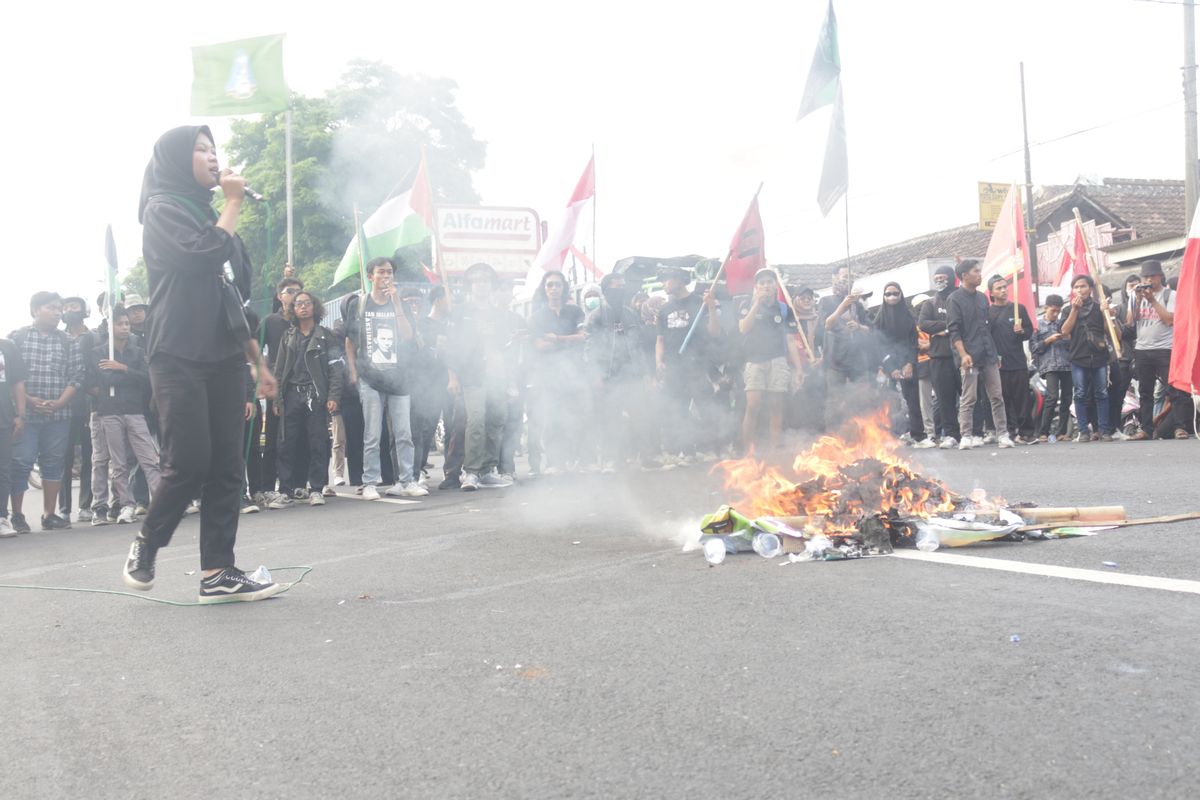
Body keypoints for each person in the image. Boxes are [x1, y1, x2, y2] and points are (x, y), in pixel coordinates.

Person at [123, 124, 282, 603]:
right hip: (178, 354)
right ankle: (147, 544)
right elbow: (200, 257)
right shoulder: (163, 210)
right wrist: (232, 205)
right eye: (201, 149)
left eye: (215, 149)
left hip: (225, 356)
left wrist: (257, 362)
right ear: (175, 160)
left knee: (229, 466)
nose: (214, 158)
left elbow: (237, 295)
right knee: (188, 462)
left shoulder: (212, 216)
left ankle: (218, 572)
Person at [344, 257, 427, 499]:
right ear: (371, 276)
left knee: (404, 433)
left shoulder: (398, 303)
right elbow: (350, 340)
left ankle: (407, 480)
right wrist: (353, 370)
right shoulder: (359, 304)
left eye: (390, 272)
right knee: (372, 433)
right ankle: (370, 482)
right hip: (370, 377)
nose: (386, 276)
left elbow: (408, 336)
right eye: (381, 272)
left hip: (399, 378)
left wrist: (397, 305)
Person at [8, 292, 85, 532]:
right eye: (51, 308)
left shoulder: (67, 341)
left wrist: (61, 402)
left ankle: (49, 515)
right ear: (34, 310)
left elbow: (77, 375)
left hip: (58, 415)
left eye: (59, 309)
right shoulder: (17, 339)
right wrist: (29, 401)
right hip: (26, 415)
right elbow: (9, 378)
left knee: (54, 463)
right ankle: (18, 516)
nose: (57, 312)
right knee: (22, 462)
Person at [447, 262, 520, 490]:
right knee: (476, 420)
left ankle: (488, 469)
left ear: (492, 285)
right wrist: (453, 377)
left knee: (496, 421)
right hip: (472, 376)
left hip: (497, 376)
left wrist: (511, 382)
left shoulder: (500, 315)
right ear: (470, 285)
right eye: (477, 280)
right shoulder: (460, 312)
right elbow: (451, 348)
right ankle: (471, 472)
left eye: (486, 280)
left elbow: (508, 350)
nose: (481, 284)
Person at [90, 305, 162, 523]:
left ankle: (160, 503)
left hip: (135, 411)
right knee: (119, 463)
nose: (124, 328)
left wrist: (122, 368)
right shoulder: (99, 352)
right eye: (119, 324)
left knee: (149, 458)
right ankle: (126, 505)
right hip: (109, 412)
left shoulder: (137, 351)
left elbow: (147, 379)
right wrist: (129, 376)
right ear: (109, 327)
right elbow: (105, 381)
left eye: (126, 324)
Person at [271, 291, 343, 506]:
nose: (303, 307)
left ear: (315, 307)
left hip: (316, 394)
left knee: (318, 442)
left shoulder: (326, 336)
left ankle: (317, 489)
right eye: (298, 304)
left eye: (307, 303)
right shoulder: (288, 336)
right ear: (292, 309)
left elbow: (336, 370)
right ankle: (285, 489)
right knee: (286, 442)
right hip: (292, 394)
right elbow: (280, 370)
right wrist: (277, 399)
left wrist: (333, 396)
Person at [655, 266, 722, 464]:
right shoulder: (664, 309)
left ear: (678, 280)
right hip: (674, 367)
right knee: (679, 410)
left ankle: (712, 449)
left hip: (697, 365)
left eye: (666, 279)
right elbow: (660, 340)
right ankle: (686, 450)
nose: (663, 284)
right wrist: (659, 361)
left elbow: (714, 332)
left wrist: (710, 307)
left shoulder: (699, 302)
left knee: (706, 407)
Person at [947, 260, 1012, 449]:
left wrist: (995, 353)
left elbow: (987, 328)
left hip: (989, 354)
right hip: (969, 357)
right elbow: (954, 330)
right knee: (969, 397)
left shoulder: (983, 298)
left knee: (997, 396)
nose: (979, 274)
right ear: (965, 276)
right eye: (976, 271)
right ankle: (965, 435)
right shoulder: (954, 299)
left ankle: (1003, 434)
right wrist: (963, 354)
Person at [737, 269, 803, 453]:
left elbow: (791, 340)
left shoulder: (784, 309)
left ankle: (776, 446)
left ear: (775, 286)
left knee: (776, 405)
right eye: (762, 283)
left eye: (769, 282)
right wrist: (756, 304)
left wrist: (798, 368)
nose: (766, 286)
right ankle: (748, 449)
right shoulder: (746, 304)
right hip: (754, 360)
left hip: (778, 360)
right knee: (753, 405)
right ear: (756, 287)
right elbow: (743, 328)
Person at [529, 270, 588, 472]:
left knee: (576, 418)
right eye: (550, 285)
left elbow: (584, 337)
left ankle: (576, 460)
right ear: (544, 289)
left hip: (575, 374)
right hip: (549, 376)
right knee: (552, 419)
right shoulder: (537, 317)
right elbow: (539, 345)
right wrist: (569, 340)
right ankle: (555, 462)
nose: (554, 289)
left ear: (564, 288)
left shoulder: (575, 312)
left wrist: (557, 339)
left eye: (558, 285)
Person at [585, 271, 645, 472]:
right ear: (605, 290)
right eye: (615, 287)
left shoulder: (631, 314)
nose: (619, 290)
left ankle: (636, 456)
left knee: (638, 415)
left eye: (622, 286)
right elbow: (590, 349)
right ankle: (611, 459)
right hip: (609, 375)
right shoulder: (596, 316)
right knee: (611, 418)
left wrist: (643, 371)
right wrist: (597, 376)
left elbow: (639, 346)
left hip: (631, 374)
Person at [1126, 260, 1190, 440]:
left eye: (1152, 276)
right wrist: (1137, 300)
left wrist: (1152, 300)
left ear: (1160, 276)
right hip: (1142, 349)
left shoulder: (1170, 294)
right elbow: (1131, 321)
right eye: (1145, 277)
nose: (1148, 280)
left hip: (1165, 348)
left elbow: (1170, 320)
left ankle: (1180, 427)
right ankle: (1146, 429)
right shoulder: (1135, 295)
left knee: (1175, 389)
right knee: (1145, 392)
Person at [871, 281, 929, 447]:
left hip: (907, 362)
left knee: (912, 400)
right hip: (889, 363)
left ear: (901, 294)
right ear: (883, 296)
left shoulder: (908, 317)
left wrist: (909, 363)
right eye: (888, 294)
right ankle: (892, 437)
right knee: (890, 402)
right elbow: (879, 345)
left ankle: (918, 435)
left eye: (895, 293)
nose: (892, 297)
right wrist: (891, 368)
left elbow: (913, 343)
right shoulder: (879, 319)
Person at [1060, 274, 1115, 442]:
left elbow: (1108, 331)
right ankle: (1083, 430)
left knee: (1102, 393)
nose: (1079, 290)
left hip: (1098, 356)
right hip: (1078, 356)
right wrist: (1075, 310)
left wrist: (1106, 313)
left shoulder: (1099, 307)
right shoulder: (1068, 309)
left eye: (1082, 286)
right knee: (1080, 393)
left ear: (1090, 289)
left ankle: (1104, 430)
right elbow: (1064, 331)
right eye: (1076, 287)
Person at [817, 266, 872, 428]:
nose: (847, 280)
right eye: (844, 276)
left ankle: (862, 436)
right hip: (835, 359)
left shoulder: (858, 306)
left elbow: (870, 329)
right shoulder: (826, 302)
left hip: (858, 359)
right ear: (835, 277)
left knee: (862, 399)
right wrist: (842, 306)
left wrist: (859, 327)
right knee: (835, 400)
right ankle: (834, 438)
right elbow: (827, 324)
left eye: (850, 277)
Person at [58, 296, 97, 522]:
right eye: (66, 307)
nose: (69, 310)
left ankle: (86, 505)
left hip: (89, 404)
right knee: (65, 458)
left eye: (74, 306)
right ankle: (64, 508)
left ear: (84, 310)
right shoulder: (59, 337)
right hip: (64, 404)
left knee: (90, 457)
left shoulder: (93, 337)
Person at [986, 275, 1035, 443]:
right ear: (991, 292)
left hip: (1018, 361)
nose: (1003, 290)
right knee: (1003, 400)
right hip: (997, 364)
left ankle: (1026, 433)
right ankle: (1007, 432)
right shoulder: (988, 313)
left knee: (1023, 399)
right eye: (998, 288)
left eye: (1004, 286)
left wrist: (1021, 331)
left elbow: (1029, 332)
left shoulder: (1018, 309)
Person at [918, 266, 961, 448]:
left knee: (968, 396)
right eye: (936, 278)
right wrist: (947, 327)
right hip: (939, 357)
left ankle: (974, 432)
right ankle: (951, 434)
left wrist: (944, 328)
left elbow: (964, 321)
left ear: (951, 278)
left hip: (961, 355)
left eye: (943, 278)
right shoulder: (930, 303)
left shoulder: (960, 298)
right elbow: (924, 323)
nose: (939, 281)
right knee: (945, 399)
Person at [1031, 295, 1073, 443]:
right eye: (1053, 311)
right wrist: (1048, 340)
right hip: (1049, 366)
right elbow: (1034, 348)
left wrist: (1066, 338)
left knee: (1067, 398)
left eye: (1058, 311)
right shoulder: (1037, 325)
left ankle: (1061, 432)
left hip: (1067, 365)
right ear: (1045, 308)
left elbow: (1072, 344)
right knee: (1052, 397)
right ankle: (1043, 431)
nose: (1055, 314)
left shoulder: (1063, 324)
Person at [0, 337, 27, 537]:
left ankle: (1, 518)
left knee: (3, 469)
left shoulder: (7, 346)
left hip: (4, 417)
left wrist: (20, 414)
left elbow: (18, 383)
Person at [1108, 275, 1141, 439]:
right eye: (1131, 285)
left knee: (1147, 393)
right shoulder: (1120, 309)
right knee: (1119, 393)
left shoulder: (1146, 307)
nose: (1134, 288)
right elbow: (1120, 334)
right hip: (1124, 357)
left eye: (1137, 285)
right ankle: (1113, 426)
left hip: (1145, 354)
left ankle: (1144, 426)